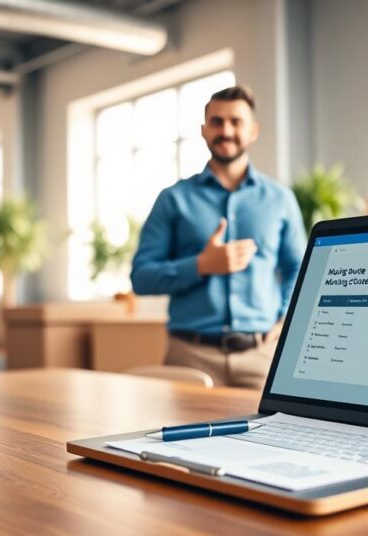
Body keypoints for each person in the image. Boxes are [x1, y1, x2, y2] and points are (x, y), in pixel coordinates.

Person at [131, 85, 305, 389]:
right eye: (216, 122)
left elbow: (299, 269)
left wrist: (284, 317)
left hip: (261, 357)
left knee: (268, 436)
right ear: (203, 130)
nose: (226, 130)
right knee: (182, 438)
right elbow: (141, 277)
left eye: (236, 122)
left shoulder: (280, 199)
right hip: (189, 356)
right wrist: (200, 265)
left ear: (253, 130)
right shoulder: (173, 199)